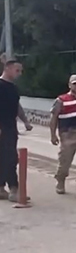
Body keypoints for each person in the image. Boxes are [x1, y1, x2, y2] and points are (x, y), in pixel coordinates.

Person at [0, 59, 33, 203]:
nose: (19, 74)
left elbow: (17, 106)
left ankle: (1, 188)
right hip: (2, 126)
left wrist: (25, 121)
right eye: (17, 70)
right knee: (10, 158)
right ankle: (14, 189)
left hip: (10, 126)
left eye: (20, 71)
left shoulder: (13, 88)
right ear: (7, 68)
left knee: (7, 157)